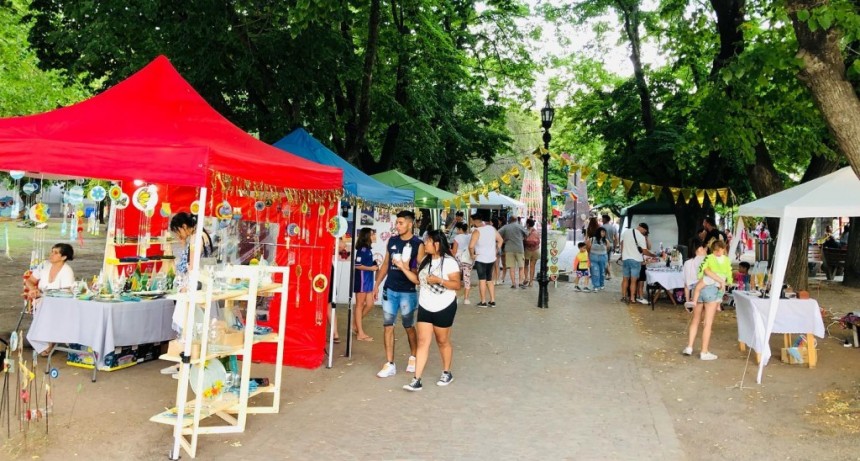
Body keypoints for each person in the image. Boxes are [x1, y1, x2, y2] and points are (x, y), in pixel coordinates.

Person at [395, 230, 461, 391]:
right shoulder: (425, 260)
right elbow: (418, 280)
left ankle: (447, 372)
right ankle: (416, 379)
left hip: (444, 306)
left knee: (442, 341)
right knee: (423, 342)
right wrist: (403, 268)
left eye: (428, 242)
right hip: (425, 305)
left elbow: (456, 285)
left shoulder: (450, 262)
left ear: (437, 244)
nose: (425, 244)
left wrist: (439, 280)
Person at [373, 210, 425, 378]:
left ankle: (413, 356)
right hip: (390, 290)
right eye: (397, 223)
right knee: (388, 326)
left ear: (410, 224)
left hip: (408, 292)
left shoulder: (418, 244)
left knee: (408, 326)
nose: (397, 226)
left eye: (401, 223)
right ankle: (389, 364)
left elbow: (420, 272)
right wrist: (376, 285)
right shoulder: (392, 241)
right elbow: (385, 265)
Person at [684, 240, 732, 360]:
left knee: (695, 320)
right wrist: (722, 281)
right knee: (707, 323)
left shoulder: (690, 262)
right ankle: (704, 351)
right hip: (712, 289)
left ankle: (689, 347)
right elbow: (709, 271)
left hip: (698, 288)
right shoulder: (714, 259)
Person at [469, 213, 503, 307]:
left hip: (481, 258)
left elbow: (471, 246)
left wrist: (472, 255)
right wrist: (496, 250)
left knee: (482, 280)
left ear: (475, 221)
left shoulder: (476, 231)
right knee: (489, 279)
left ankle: (483, 301)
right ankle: (492, 300)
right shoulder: (491, 228)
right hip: (491, 258)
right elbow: (500, 240)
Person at [619, 223, 655, 305]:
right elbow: (645, 251)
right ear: (643, 229)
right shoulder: (641, 237)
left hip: (626, 259)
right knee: (633, 281)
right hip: (636, 260)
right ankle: (632, 298)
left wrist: (623, 254)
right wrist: (653, 255)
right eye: (645, 232)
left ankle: (624, 296)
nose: (644, 233)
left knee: (625, 279)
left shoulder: (626, 232)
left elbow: (622, 244)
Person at [353, 227, 377, 342]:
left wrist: (373, 265)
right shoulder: (362, 250)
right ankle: (360, 333)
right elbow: (357, 265)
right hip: (362, 279)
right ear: (367, 236)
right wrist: (371, 268)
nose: (374, 236)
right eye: (372, 234)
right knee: (359, 305)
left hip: (368, 279)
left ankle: (355, 324)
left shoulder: (368, 250)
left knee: (370, 304)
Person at [498, 216, 528, 289]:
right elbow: (527, 233)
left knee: (512, 267)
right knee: (521, 266)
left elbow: (498, 233)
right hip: (519, 248)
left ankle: (513, 283)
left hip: (509, 249)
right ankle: (520, 282)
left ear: (509, 220)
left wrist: (504, 238)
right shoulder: (520, 226)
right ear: (516, 220)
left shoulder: (505, 227)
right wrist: (522, 237)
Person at [451, 222, 473, 305]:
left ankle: (455, 298)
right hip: (468, 258)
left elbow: (454, 251)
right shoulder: (470, 236)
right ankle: (466, 299)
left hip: (458, 259)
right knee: (467, 278)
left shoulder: (457, 237)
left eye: (457, 229)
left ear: (460, 229)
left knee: (456, 278)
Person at [683, 240, 707, 313]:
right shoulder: (709, 260)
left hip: (695, 295)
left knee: (696, 320)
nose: (706, 250)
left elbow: (687, 285)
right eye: (705, 248)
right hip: (709, 291)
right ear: (700, 249)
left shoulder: (687, 263)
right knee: (707, 320)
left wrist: (688, 302)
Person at [586, 226, 609, 291]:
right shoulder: (591, 239)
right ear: (598, 232)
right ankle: (596, 285)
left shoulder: (606, 241)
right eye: (602, 232)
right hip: (593, 258)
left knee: (602, 272)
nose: (603, 233)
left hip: (603, 257)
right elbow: (588, 248)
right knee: (595, 272)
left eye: (604, 232)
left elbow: (608, 248)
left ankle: (602, 284)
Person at [523, 219, 540, 287]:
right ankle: (531, 282)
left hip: (527, 250)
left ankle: (526, 278)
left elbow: (523, 240)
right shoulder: (536, 232)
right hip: (535, 250)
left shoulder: (525, 231)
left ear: (527, 224)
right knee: (532, 266)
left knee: (526, 264)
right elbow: (539, 241)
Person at [602, 215, 617, 280]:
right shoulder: (613, 227)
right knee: (608, 260)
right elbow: (616, 238)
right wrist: (615, 246)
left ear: (605, 219)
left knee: (604, 260)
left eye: (603, 219)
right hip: (611, 245)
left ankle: (607, 274)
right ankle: (606, 274)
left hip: (604, 245)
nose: (602, 220)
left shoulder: (602, 227)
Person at [491, 217, 506, 285]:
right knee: (496, 265)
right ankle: (496, 279)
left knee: (495, 265)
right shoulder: (499, 229)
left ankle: (496, 279)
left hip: (495, 247)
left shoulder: (494, 230)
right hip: (498, 248)